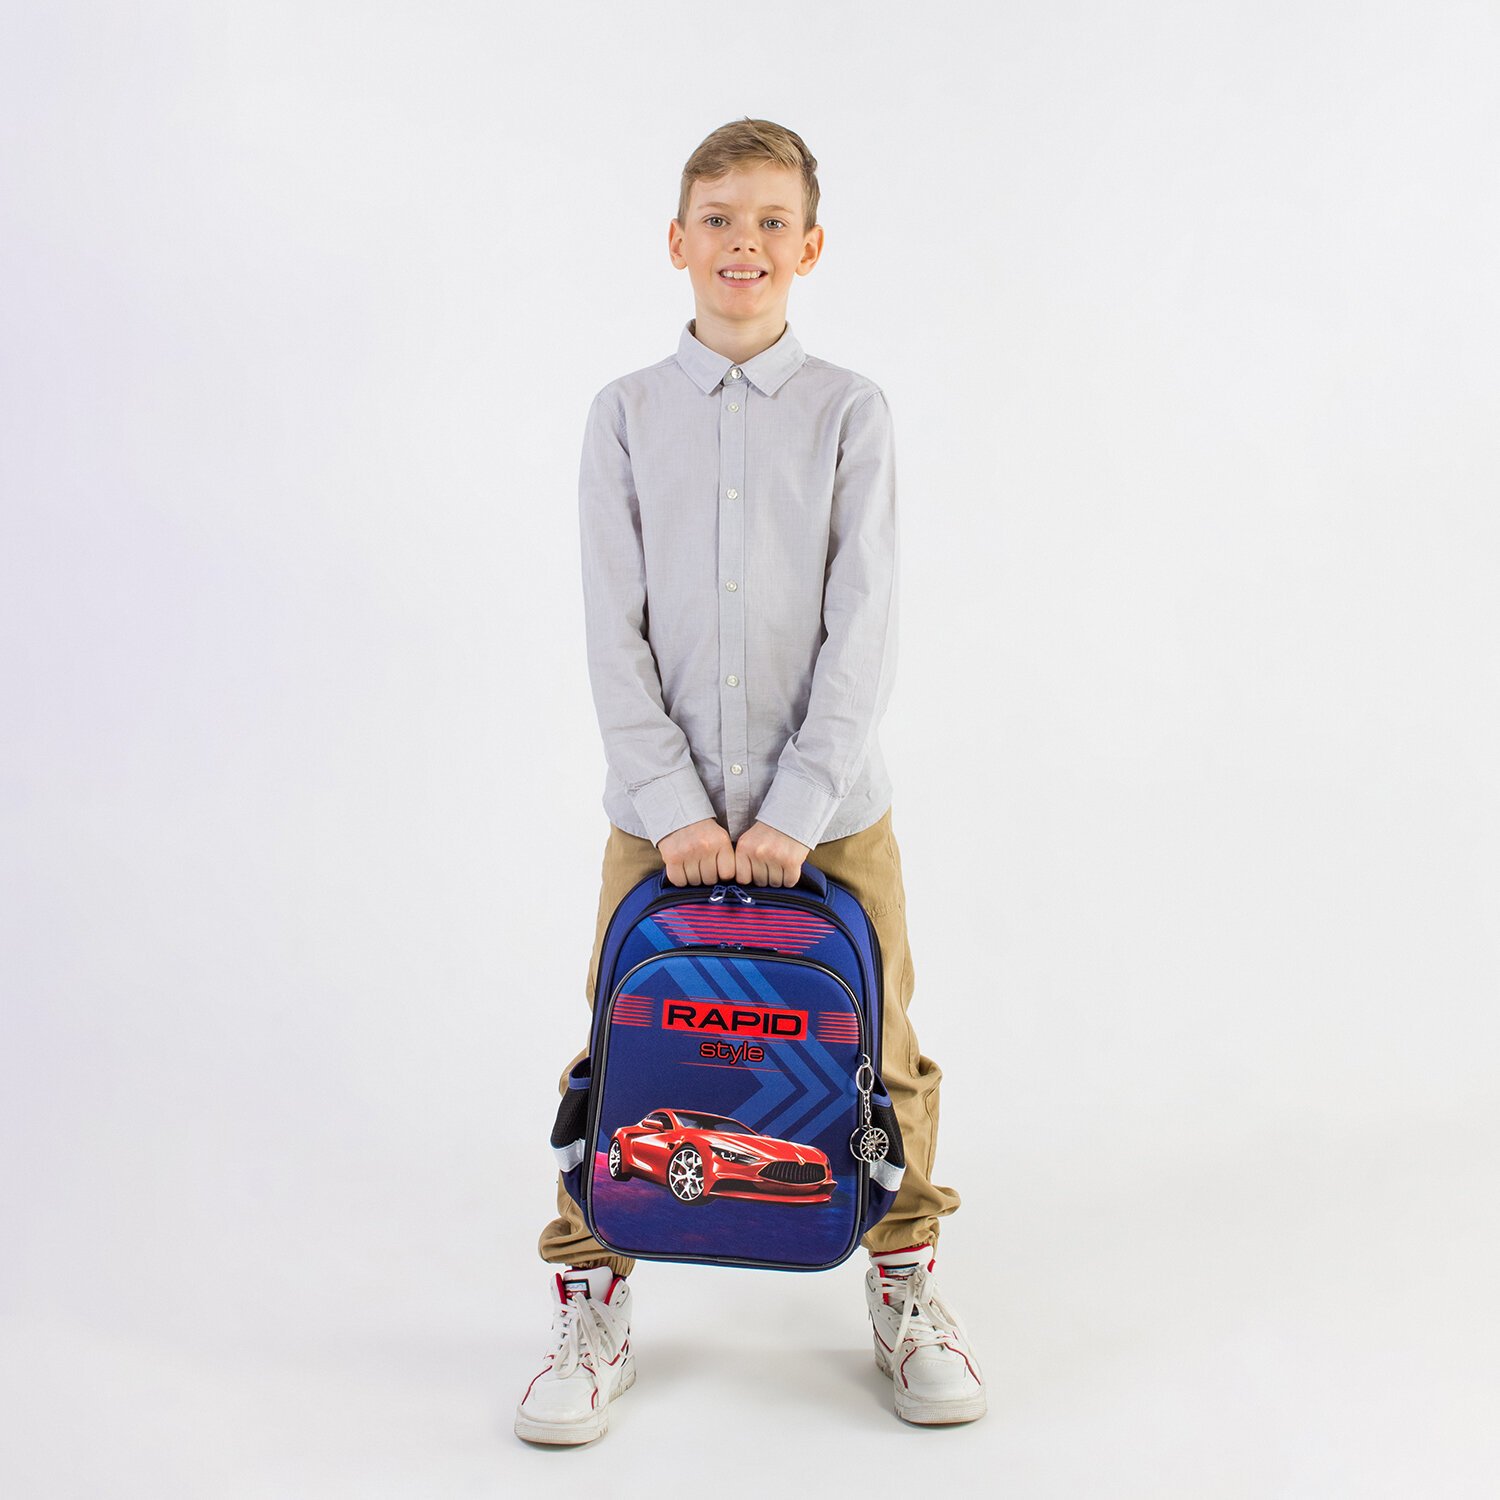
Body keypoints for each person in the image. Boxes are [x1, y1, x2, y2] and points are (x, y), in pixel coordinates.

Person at [514, 117, 986, 1446]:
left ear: (811, 247)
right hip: (656, 822)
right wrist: (675, 806)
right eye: (720, 219)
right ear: (677, 240)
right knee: (625, 1038)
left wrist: (795, 808)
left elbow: (863, 621)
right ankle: (591, 1298)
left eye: (773, 221)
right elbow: (612, 628)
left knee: (880, 1047)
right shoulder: (625, 415)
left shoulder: (850, 412)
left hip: (833, 818)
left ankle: (903, 1283)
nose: (745, 243)